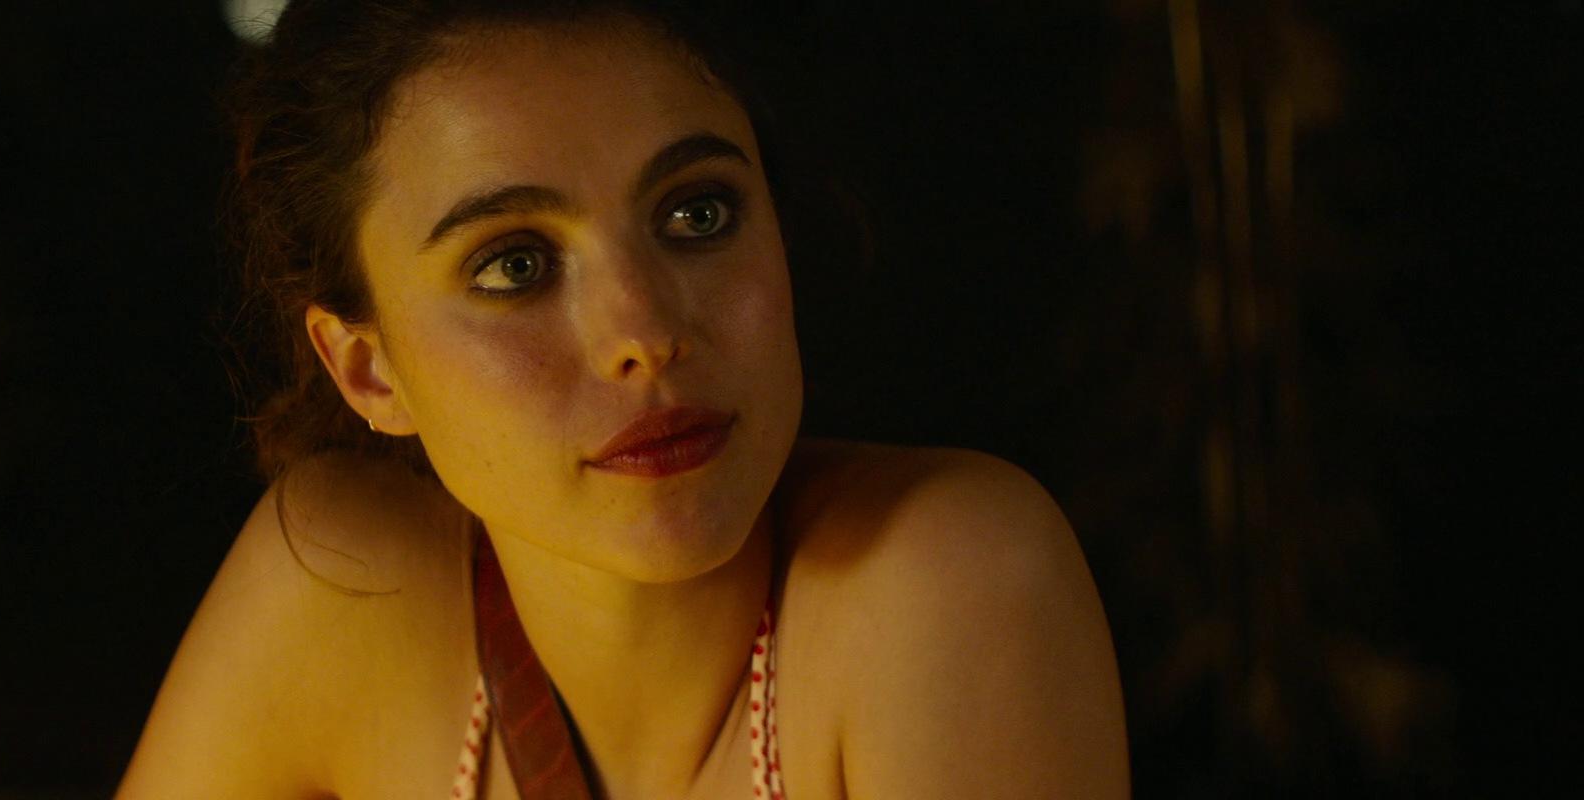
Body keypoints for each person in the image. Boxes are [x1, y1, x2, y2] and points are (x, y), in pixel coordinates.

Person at [118, 1, 1127, 797]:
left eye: (697, 213)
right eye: (513, 265)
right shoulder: (344, 593)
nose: (643, 331)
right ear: (367, 370)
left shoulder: (939, 582)